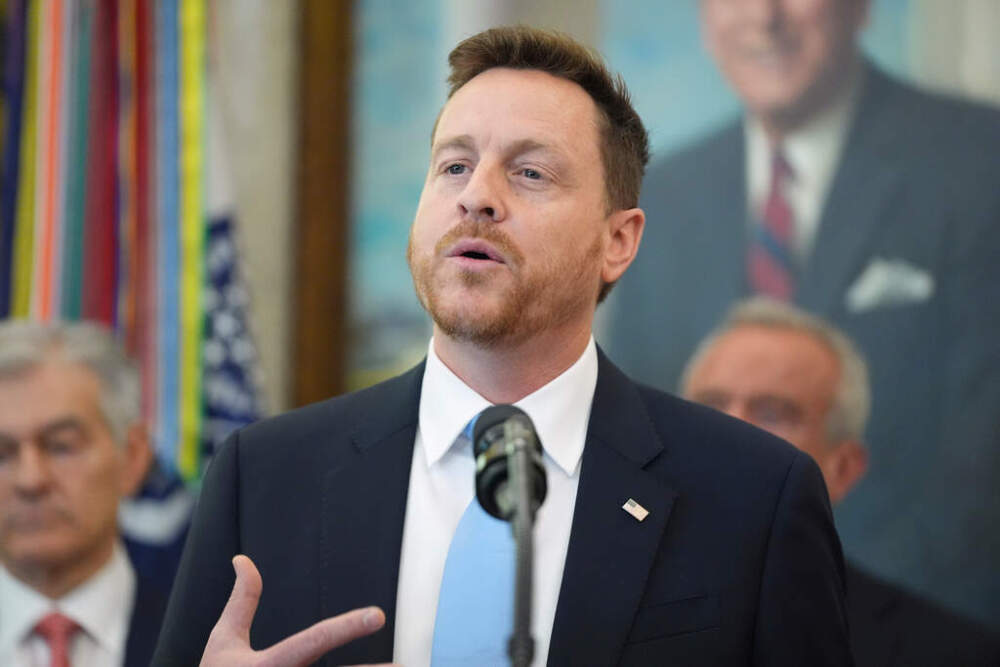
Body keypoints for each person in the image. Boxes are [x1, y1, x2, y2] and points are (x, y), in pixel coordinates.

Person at [153, 26, 852, 666]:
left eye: (530, 172)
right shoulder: (267, 476)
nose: (477, 198)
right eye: (454, 166)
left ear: (618, 240)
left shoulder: (753, 497)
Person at [605, 0, 1000, 627]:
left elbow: (980, 460)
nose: (765, 16)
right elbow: (635, 443)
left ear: (860, 9)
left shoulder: (982, 163)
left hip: (917, 627)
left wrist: (815, 606)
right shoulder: (662, 198)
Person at [682, 297, 1000, 666]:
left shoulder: (953, 655)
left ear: (843, 468)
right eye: (709, 406)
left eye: (771, 413)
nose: (729, 431)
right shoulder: (604, 606)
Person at [0, 320, 168, 667]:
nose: (31, 480)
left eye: (61, 447)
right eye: (2, 454)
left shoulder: (204, 636)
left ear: (133, 457)